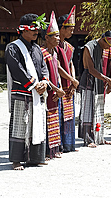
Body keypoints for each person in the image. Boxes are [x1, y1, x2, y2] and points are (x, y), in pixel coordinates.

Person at [5, 13, 49, 170]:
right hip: (22, 91)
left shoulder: (37, 48)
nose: (36, 33)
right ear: (23, 30)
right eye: (33, 30)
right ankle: (16, 159)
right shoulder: (13, 47)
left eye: (37, 30)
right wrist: (33, 84)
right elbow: (17, 69)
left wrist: (44, 81)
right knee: (20, 125)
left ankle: (34, 158)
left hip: (37, 92)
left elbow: (44, 67)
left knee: (36, 124)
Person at [78, 31, 111, 147]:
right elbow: (90, 69)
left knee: (99, 110)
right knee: (87, 111)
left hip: (101, 81)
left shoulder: (108, 48)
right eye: (108, 45)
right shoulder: (89, 47)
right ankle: (88, 139)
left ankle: (99, 138)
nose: (109, 47)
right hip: (89, 80)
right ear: (103, 39)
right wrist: (107, 79)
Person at [40, 11, 66, 159]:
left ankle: (55, 149)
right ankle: (46, 151)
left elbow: (57, 72)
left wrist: (60, 88)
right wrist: (56, 89)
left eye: (58, 36)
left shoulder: (54, 53)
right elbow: (44, 75)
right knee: (47, 118)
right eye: (54, 36)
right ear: (46, 38)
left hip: (57, 91)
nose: (57, 39)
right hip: (48, 91)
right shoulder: (42, 52)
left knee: (55, 118)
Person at [56, 5, 80, 153]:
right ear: (62, 28)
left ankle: (69, 144)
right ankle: (59, 145)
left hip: (69, 83)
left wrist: (73, 80)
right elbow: (57, 66)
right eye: (69, 28)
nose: (72, 31)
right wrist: (71, 79)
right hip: (59, 83)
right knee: (59, 115)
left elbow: (71, 63)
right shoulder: (54, 45)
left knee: (69, 114)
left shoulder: (69, 46)